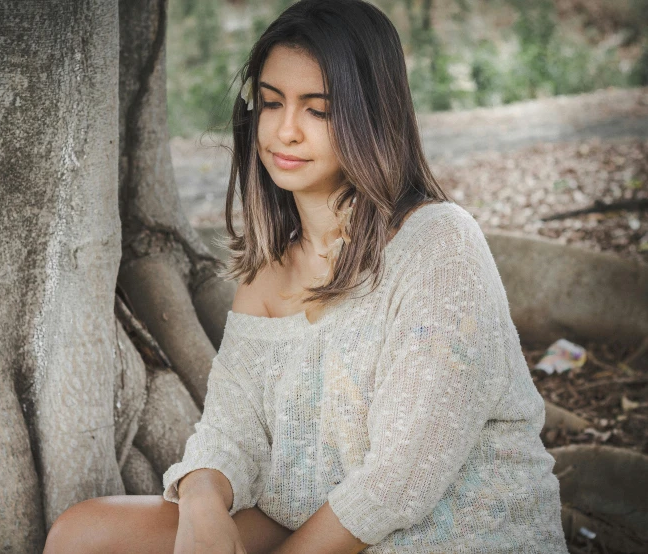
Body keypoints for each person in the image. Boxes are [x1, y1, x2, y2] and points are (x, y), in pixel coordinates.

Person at [43, 0, 569, 552]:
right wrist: (201, 506)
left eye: (318, 110)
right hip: (306, 514)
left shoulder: (440, 245)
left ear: (373, 116)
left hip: (448, 532)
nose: (285, 131)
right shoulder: (267, 273)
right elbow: (230, 429)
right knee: (85, 534)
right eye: (271, 103)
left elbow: (402, 478)